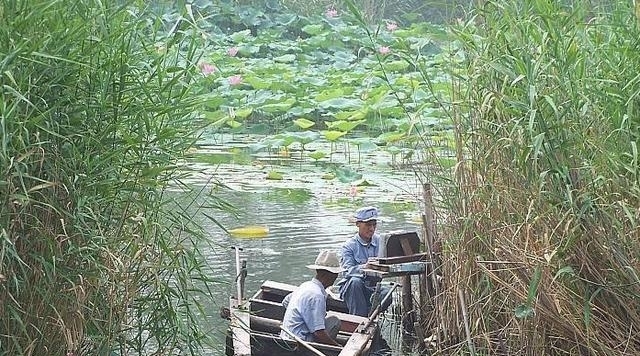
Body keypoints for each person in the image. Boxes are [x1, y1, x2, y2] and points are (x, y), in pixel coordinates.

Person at [280, 250, 345, 346]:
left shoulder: (305, 285)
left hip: (287, 335)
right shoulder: (316, 295)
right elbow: (319, 333)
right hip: (301, 341)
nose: (336, 276)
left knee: (331, 320)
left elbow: (285, 302)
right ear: (327, 275)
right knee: (334, 322)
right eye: (335, 274)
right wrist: (337, 346)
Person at [338, 206, 392, 317]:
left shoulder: (381, 242)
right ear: (358, 224)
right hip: (352, 289)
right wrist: (365, 267)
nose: (372, 229)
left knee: (388, 293)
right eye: (368, 225)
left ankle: (371, 316)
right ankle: (358, 320)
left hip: (373, 288)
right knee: (355, 282)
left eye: (374, 224)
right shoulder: (348, 246)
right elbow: (346, 271)